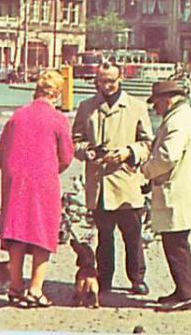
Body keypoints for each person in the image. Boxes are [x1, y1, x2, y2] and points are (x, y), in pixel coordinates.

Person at [72, 63, 153, 297]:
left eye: (111, 81)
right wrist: (86, 151)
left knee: (133, 235)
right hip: (99, 183)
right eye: (101, 81)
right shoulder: (87, 107)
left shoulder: (136, 107)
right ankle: (104, 277)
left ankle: (137, 278)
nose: (106, 86)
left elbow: (148, 143)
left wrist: (129, 152)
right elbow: (75, 139)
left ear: (120, 79)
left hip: (126, 180)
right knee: (104, 236)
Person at [0, 70, 74, 308]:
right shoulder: (58, 119)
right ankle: (35, 289)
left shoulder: (17, 116)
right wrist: (50, 169)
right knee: (42, 232)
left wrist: (14, 173)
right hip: (43, 181)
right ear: (58, 93)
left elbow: (1, 155)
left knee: (17, 230)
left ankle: (15, 285)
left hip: (15, 180)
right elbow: (67, 156)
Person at [141, 80, 191, 312]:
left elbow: (167, 156)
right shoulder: (185, 117)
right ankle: (181, 290)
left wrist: (147, 169)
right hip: (188, 189)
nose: (155, 108)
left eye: (156, 103)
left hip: (180, 192)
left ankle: (186, 295)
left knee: (176, 244)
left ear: (168, 99)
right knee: (176, 242)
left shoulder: (177, 122)